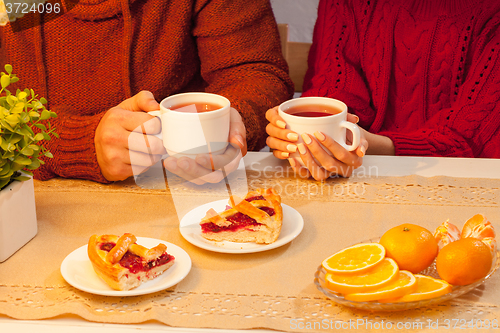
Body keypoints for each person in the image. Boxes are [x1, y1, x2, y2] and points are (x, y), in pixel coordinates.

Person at [0, 0, 293, 184]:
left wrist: (237, 116)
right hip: (26, 202)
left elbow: (254, 71)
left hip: (183, 188)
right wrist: (75, 142)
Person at [266, 0, 500, 181]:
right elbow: (335, 86)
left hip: (463, 182)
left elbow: (473, 137)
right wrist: (314, 136)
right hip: (355, 175)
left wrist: (367, 144)